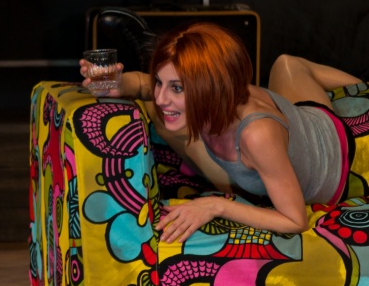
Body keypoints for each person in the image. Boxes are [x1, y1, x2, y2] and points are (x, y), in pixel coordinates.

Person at [80, 22, 362, 245]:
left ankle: (364, 92)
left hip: (330, 145)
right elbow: (142, 84)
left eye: (176, 88)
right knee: (160, 112)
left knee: (288, 64)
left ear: (209, 87)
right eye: (159, 82)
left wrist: (215, 207)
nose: (162, 97)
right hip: (282, 128)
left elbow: (295, 220)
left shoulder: (257, 135)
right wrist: (114, 82)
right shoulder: (217, 90)